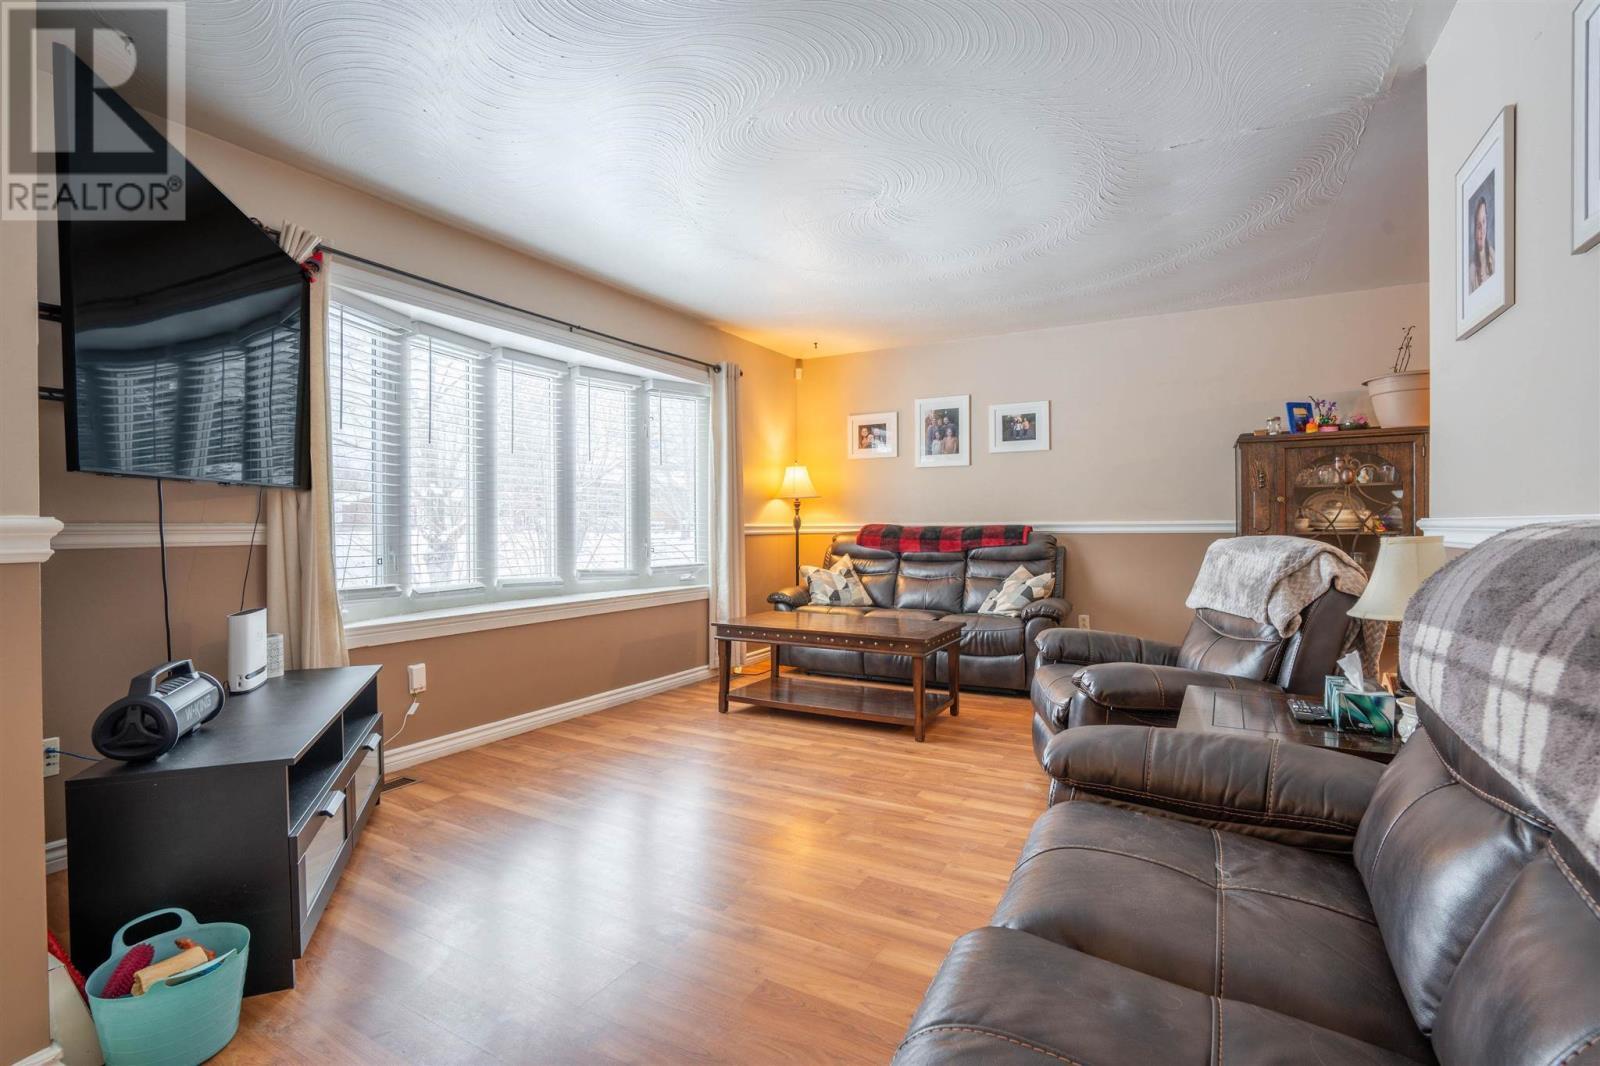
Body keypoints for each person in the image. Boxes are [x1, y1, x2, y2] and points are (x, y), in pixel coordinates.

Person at [1469, 193, 1495, 292]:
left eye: (1484, 222)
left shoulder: (1493, 256)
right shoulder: (1471, 270)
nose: (1482, 230)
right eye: (1478, 225)